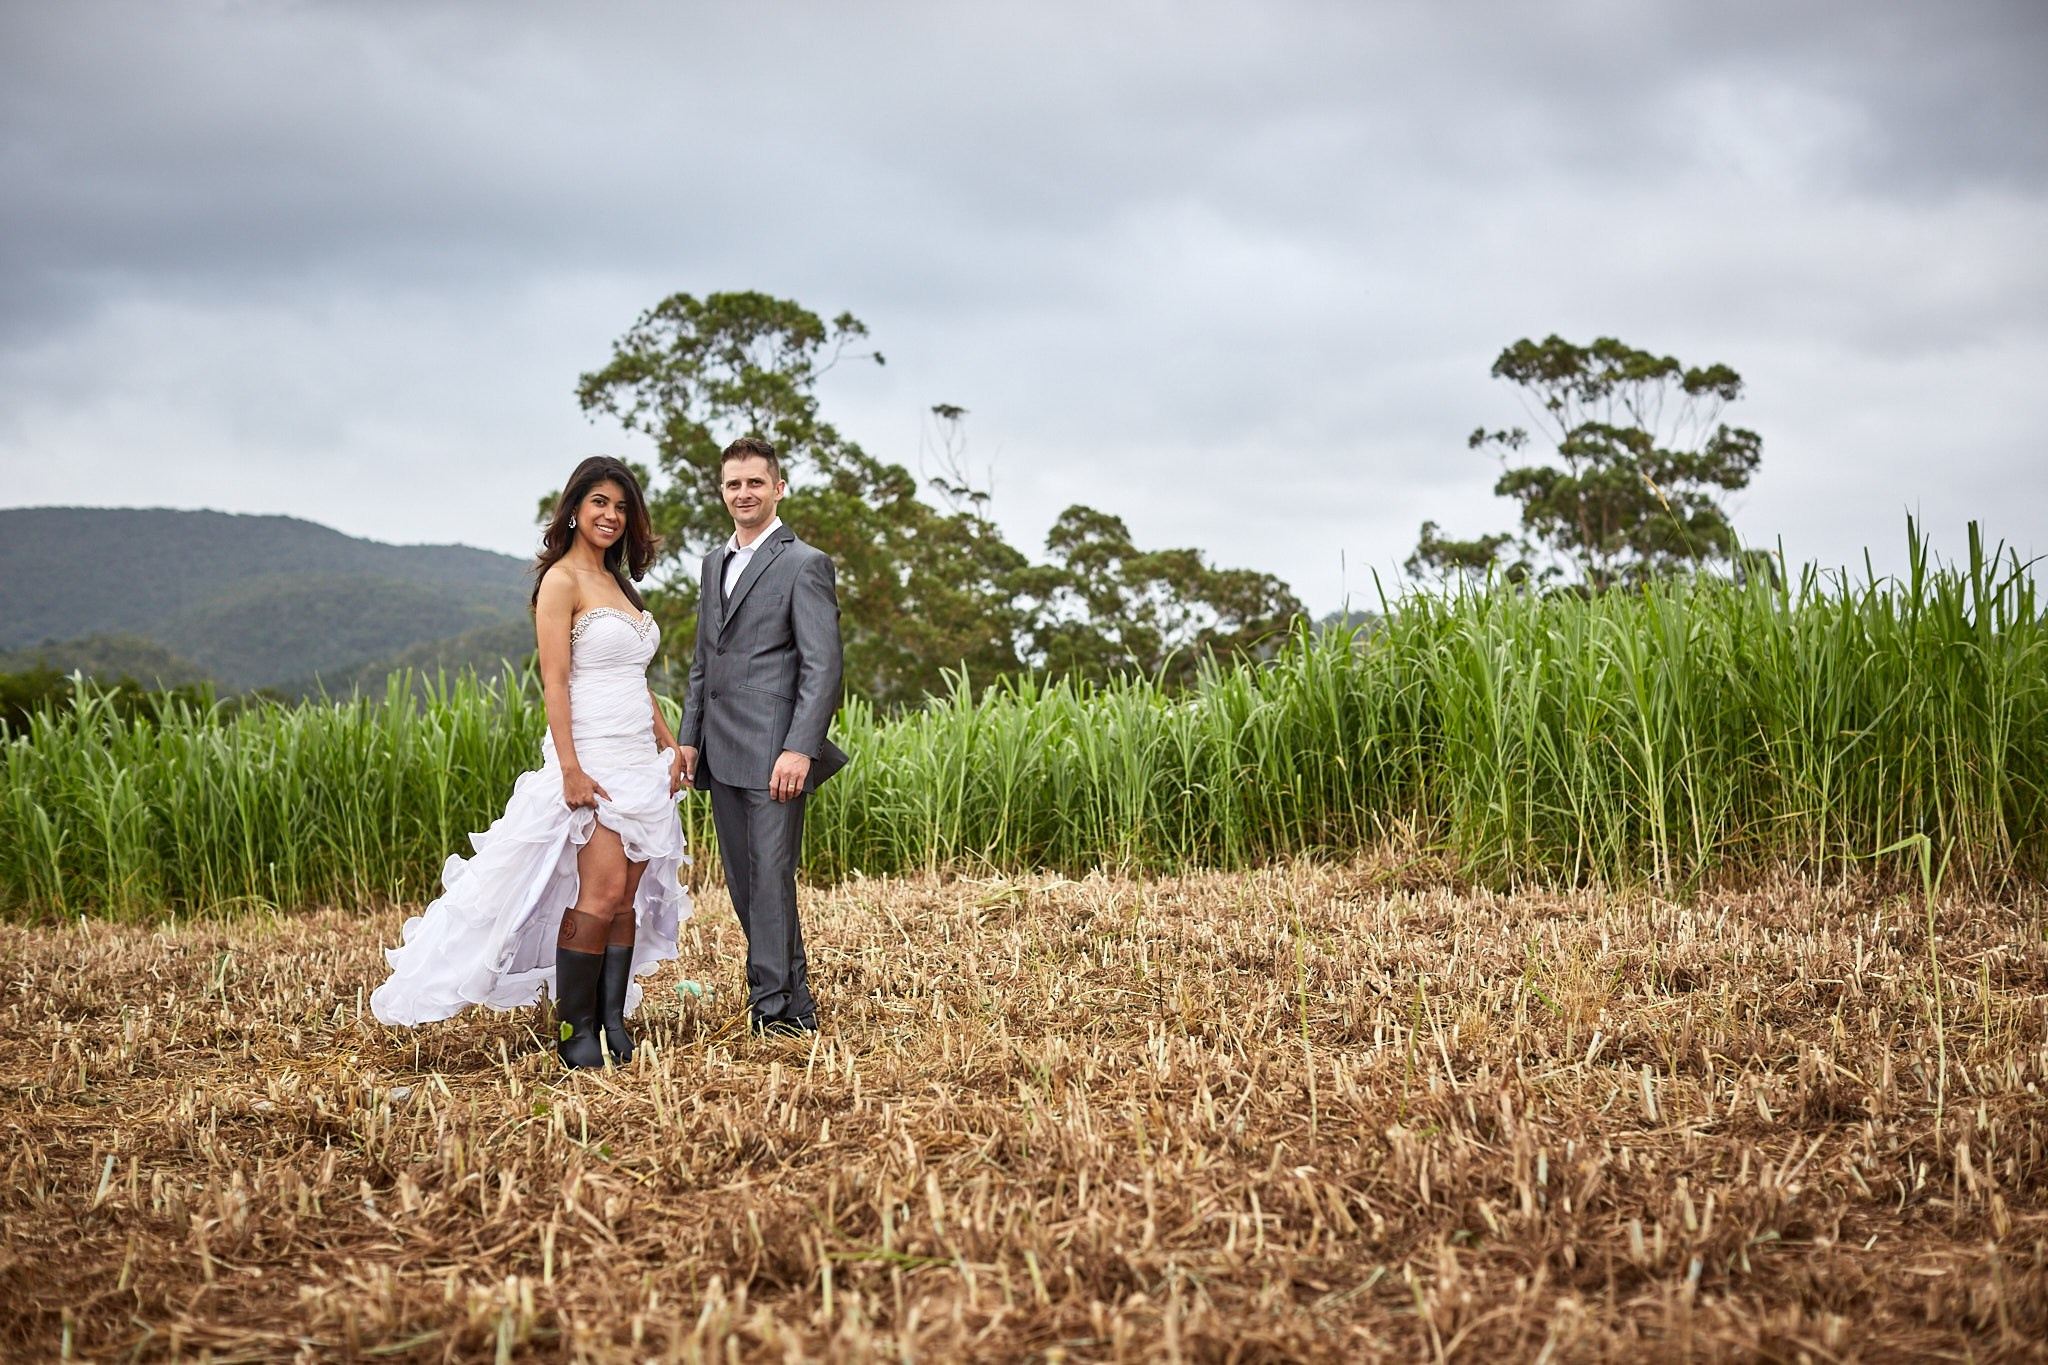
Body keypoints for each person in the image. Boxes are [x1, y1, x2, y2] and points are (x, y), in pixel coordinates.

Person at [370, 456, 690, 1069]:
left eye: (621, 507)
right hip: (591, 757)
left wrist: (670, 744)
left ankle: (614, 1024)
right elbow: (556, 683)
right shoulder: (561, 582)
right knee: (596, 894)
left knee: (625, 898)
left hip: (637, 759)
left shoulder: (623, 586)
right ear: (574, 508)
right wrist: (569, 768)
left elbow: (634, 680)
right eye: (599, 502)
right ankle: (575, 1033)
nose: (611, 516)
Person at [678, 437, 849, 1037]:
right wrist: (687, 739)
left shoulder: (805, 562)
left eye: (755, 482)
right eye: (733, 484)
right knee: (746, 884)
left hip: (777, 751)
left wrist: (800, 747)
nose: (743, 493)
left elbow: (822, 666)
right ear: (722, 492)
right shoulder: (711, 564)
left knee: (770, 879)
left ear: (778, 488)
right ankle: (795, 1004)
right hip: (720, 752)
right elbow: (705, 660)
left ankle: (772, 1011)